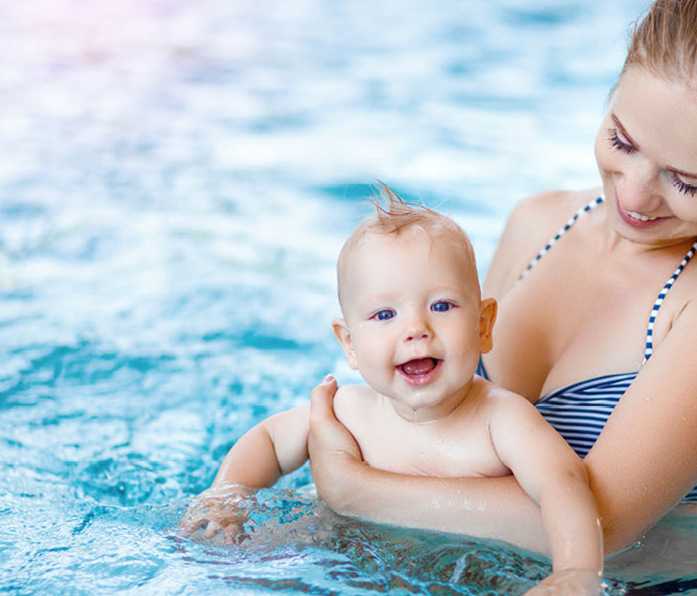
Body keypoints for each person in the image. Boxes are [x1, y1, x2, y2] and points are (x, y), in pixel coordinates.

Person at [305, 0, 697, 559]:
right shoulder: (537, 223)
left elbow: (603, 525)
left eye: (687, 181)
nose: (633, 194)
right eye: (622, 140)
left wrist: (353, 488)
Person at [180, 188, 603, 592]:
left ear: (483, 326)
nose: (415, 329)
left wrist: (575, 574)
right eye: (385, 314)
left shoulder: (503, 420)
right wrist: (226, 497)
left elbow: (562, 486)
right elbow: (270, 441)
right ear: (349, 343)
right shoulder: (346, 411)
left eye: (441, 306)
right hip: (334, 560)